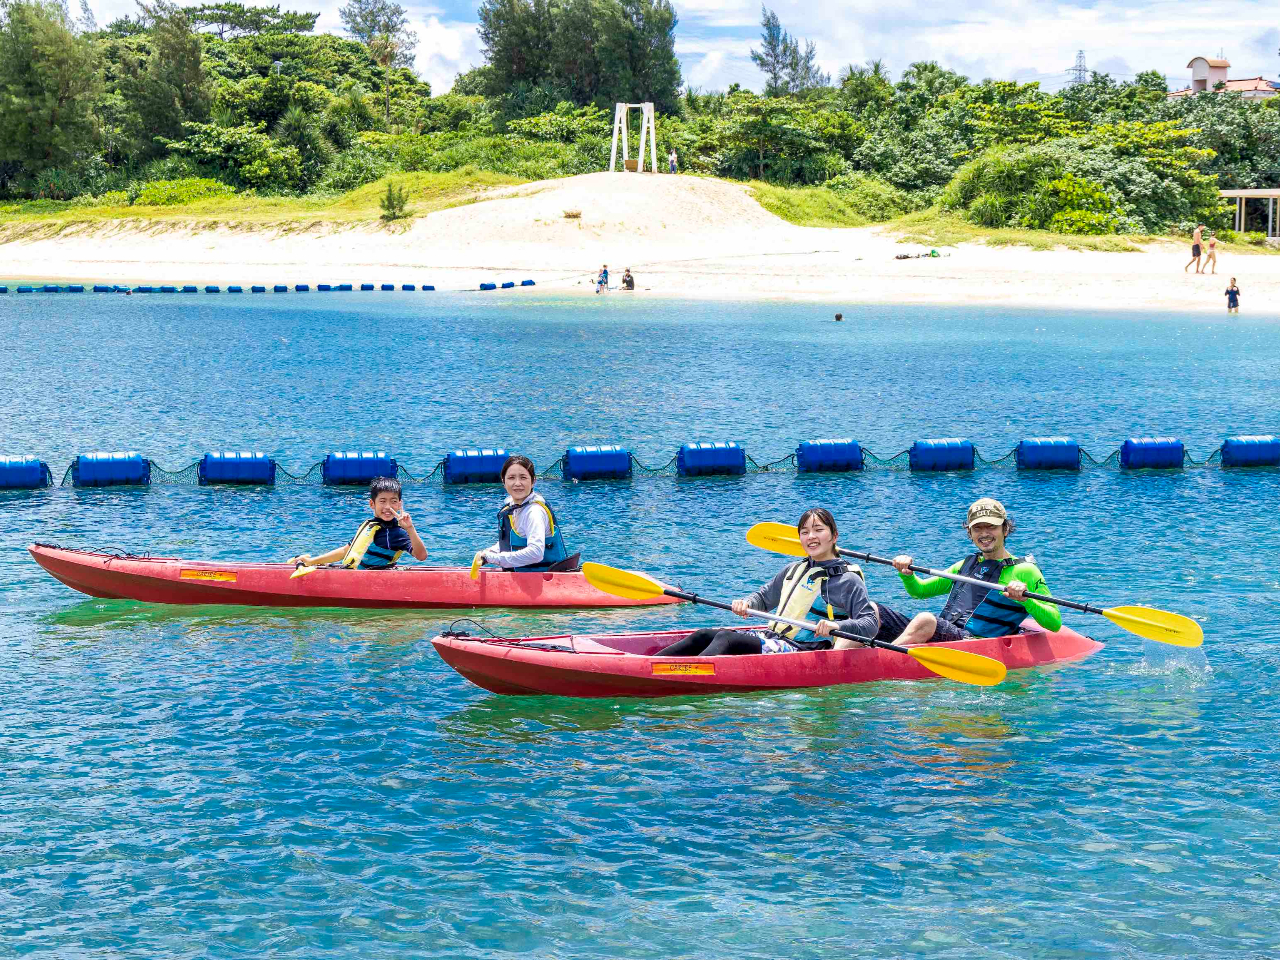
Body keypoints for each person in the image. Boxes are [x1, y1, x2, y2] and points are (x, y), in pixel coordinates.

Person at [655, 508, 878, 657]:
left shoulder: (846, 580)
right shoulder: (794, 569)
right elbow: (763, 598)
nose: (811, 536)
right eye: (805, 532)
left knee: (727, 639)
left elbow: (869, 623)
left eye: (818, 530)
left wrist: (837, 626)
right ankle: (652, 665)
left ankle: (688, 675)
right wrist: (747, 603)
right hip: (774, 638)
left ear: (834, 536)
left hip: (803, 649)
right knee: (704, 634)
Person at [871, 498, 1061, 647]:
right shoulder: (966, 565)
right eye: (977, 528)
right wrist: (906, 573)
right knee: (872, 610)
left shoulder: (1025, 570)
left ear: (1005, 529)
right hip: (948, 632)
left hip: (975, 642)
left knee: (926, 619)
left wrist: (1027, 600)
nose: (984, 534)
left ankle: (882, 658)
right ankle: (853, 656)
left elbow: (1054, 623)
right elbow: (919, 591)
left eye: (991, 527)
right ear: (970, 533)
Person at [289, 476, 427, 570]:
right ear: (372, 504)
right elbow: (345, 551)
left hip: (372, 582)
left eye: (393, 501)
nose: (388, 507)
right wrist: (312, 561)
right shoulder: (370, 525)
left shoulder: (396, 533)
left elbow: (421, 556)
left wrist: (410, 528)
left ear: (399, 504)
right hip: (354, 575)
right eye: (382, 501)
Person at [473, 454, 576, 572]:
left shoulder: (534, 512)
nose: (517, 483)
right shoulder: (514, 507)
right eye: (511, 478)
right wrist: (489, 552)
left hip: (545, 577)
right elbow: (513, 542)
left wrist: (493, 558)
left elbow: (536, 553)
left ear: (533, 481)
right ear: (503, 482)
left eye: (523, 477)